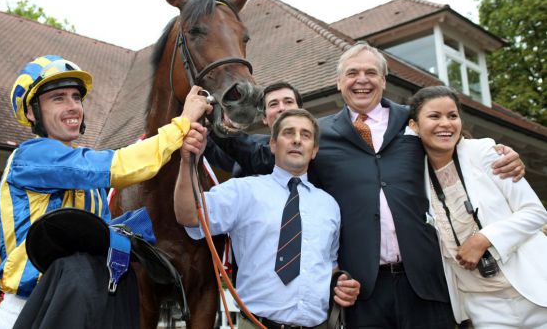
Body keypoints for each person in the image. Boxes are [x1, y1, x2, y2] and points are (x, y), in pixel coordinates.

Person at [213, 42, 526, 328]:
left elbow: (457, 146)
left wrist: (499, 154)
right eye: (352, 73)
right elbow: (262, 155)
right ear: (339, 82)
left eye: (370, 72)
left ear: (384, 81)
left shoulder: (413, 122)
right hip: (363, 289)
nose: (361, 79)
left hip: (428, 283)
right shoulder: (318, 134)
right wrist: (212, 122)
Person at [0, 55, 211, 329]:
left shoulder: (87, 176)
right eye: (58, 98)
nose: (73, 107)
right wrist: (183, 121)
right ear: (33, 113)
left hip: (80, 304)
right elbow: (122, 165)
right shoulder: (32, 157)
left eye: (76, 97)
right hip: (29, 306)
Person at [175, 109, 359, 328]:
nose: (297, 140)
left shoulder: (330, 205)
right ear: (273, 144)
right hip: (255, 323)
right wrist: (187, 163)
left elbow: (329, 267)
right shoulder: (243, 191)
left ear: (314, 150)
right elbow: (189, 215)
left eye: (306, 135)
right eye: (289, 133)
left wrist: (341, 284)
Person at [407, 85, 547, 328]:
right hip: (482, 305)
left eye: (452, 116)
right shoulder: (412, 174)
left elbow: (535, 212)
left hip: (533, 291)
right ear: (414, 126)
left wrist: (484, 239)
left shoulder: (485, 152)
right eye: (434, 116)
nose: (446, 124)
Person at [206, 81, 302, 177]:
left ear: (301, 113)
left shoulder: (315, 139)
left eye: (289, 102)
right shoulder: (254, 142)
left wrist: (219, 122)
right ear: (264, 118)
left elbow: (259, 156)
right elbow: (216, 151)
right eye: (273, 104)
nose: (282, 108)